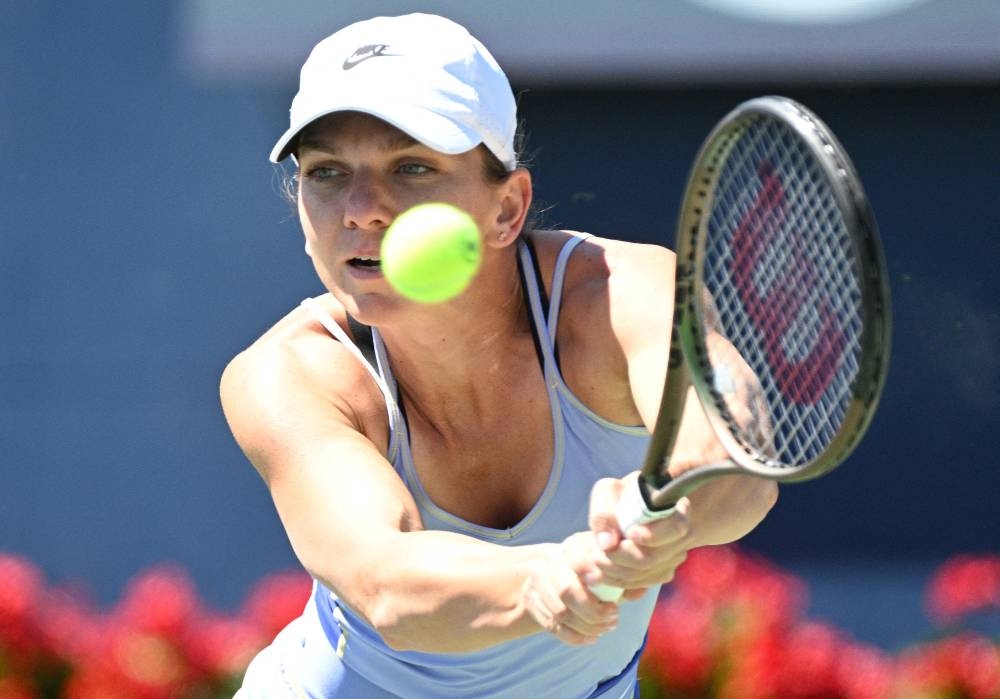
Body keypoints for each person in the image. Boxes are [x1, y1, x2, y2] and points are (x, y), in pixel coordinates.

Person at [222, 13, 777, 698]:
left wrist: (677, 505)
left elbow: (733, 456)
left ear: (507, 208)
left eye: (413, 166)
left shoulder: (619, 296)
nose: (361, 208)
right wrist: (542, 580)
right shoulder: (291, 375)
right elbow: (385, 580)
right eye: (327, 172)